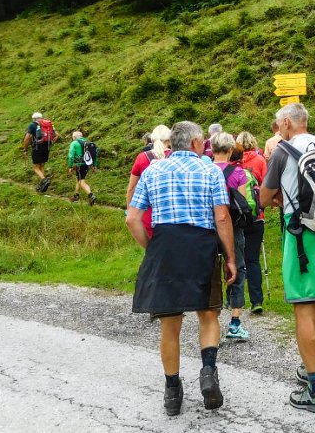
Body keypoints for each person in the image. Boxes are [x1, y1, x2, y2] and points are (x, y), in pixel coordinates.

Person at [126, 121, 237, 417]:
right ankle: (208, 372)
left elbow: (132, 218)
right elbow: (222, 218)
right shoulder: (210, 171)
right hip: (201, 246)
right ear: (196, 142)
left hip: (166, 246)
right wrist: (230, 257)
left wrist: (152, 248)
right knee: (208, 313)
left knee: (170, 324)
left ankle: (172, 391)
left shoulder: (152, 171)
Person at [260, 103, 315, 415]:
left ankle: (314, 390)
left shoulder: (281, 152)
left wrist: (280, 199)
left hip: (301, 235)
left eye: (278, 124)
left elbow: (263, 197)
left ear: (287, 122)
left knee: (303, 305)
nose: (278, 129)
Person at [210, 132, 251, 341]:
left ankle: (212, 321)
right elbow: (242, 204)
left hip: (208, 227)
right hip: (232, 228)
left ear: (212, 149)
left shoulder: (204, 171)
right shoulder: (239, 173)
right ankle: (234, 323)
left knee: (211, 271)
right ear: (230, 150)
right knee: (238, 269)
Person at [236, 131, 267, 313]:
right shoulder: (260, 160)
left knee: (236, 258)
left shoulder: (233, 165)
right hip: (257, 217)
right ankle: (257, 301)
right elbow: (266, 185)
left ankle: (235, 300)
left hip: (237, 218)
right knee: (253, 259)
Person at [127, 125, 172, 239]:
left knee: (152, 247)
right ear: (169, 140)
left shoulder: (142, 157)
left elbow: (132, 188)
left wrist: (129, 210)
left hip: (148, 214)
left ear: (152, 139)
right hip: (171, 213)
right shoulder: (176, 157)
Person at [22, 111, 52, 192]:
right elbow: (56, 135)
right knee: (41, 166)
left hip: (37, 148)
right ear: (41, 118)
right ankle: (42, 185)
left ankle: (44, 180)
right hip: (46, 148)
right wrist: (49, 145)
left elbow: (27, 138)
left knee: (35, 167)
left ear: (34, 119)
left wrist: (25, 149)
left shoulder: (32, 125)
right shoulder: (47, 124)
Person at [67, 130, 96, 205]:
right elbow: (95, 155)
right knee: (79, 180)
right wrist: (94, 165)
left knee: (81, 181)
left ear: (74, 137)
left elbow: (71, 156)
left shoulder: (74, 143)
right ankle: (76, 196)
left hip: (79, 165)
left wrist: (70, 166)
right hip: (87, 164)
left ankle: (91, 195)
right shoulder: (88, 143)